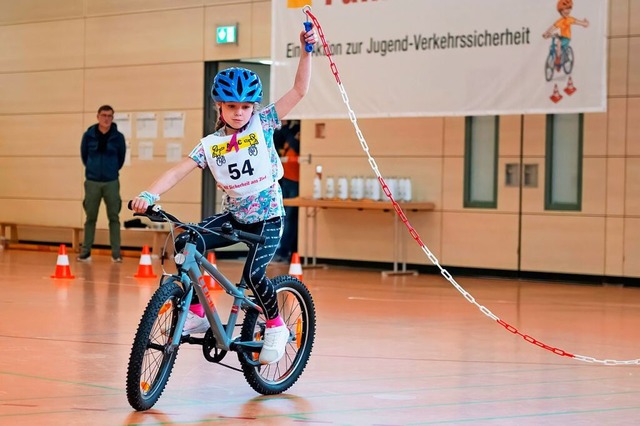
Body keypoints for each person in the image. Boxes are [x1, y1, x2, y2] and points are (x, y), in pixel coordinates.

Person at [131, 27, 316, 365]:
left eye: (246, 106)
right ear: (219, 106)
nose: (239, 113)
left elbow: (300, 90)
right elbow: (178, 169)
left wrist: (306, 52)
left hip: (268, 218)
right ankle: (199, 311)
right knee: (187, 241)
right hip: (234, 217)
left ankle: (275, 325)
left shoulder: (264, 123)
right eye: (231, 106)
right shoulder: (211, 144)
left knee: (256, 275)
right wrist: (148, 194)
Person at [78, 105, 127, 262]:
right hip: (92, 181)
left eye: (110, 116)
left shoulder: (118, 137)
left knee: (114, 217)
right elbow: (84, 156)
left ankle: (116, 254)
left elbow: (121, 158)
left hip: (111, 181)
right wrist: (93, 170)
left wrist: (110, 171)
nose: (106, 118)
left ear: (112, 118)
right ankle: (85, 252)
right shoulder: (88, 135)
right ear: (98, 116)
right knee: (90, 217)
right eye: (104, 115)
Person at [274, 123, 300, 263]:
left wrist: (288, 132)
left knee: (290, 217)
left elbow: (296, 146)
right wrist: (282, 127)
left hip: (296, 181)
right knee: (282, 216)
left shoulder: (297, 129)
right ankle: (281, 249)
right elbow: (275, 141)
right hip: (284, 179)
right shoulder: (287, 130)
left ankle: (285, 251)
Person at [543, 0, 589, 70]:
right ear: (560, 11)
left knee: (558, 42)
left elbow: (577, 22)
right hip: (562, 37)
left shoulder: (569, 19)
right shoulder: (560, 21)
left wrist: (585, 23)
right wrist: (546, 33)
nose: (567, 11)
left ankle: (558, 59)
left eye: (569, 9)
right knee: (554, 39)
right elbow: (553, 27)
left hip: (567, 38)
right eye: (565, 10)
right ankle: (557, 55)